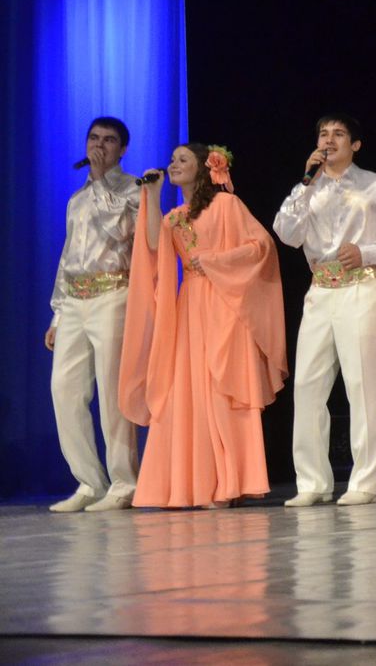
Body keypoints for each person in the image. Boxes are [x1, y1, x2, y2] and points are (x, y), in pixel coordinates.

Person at [119, 144, 286, 508]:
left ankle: (229, 483)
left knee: (221, 389)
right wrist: (152, 194)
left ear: (204, 167)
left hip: (226, 303)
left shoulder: (226, 205)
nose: (173, 164)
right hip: (191, 306)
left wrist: (215, 259)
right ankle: (198, 484)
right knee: (190, 391)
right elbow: (153, 244)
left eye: (183, 160)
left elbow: (260, 246)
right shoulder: (175, 216)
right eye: (172, 160)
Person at [273, 113, 376, 508]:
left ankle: (365, 481)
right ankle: (312, 482)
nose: (329, 140)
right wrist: (305, 184)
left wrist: (368, 251)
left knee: (361, 386)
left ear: (355, 144)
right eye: (323, 133)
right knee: (307, 386)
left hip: (362, 286)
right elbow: (286, 233)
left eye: (338, 134)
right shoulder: (307, 188)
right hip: (320, 291)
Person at [44, 117, 143, 512]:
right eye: (94, 138)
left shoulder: (134, 189)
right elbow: (68, 258)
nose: (99, 145)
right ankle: (89, 481)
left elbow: (121, 229)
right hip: (75, 301)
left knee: (112, 392)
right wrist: (57, 315)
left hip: (113, 295)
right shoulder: (77, 199)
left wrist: (102, 179)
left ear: (122, 149)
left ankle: (124, 482)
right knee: (64, 389)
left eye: (109, 140)